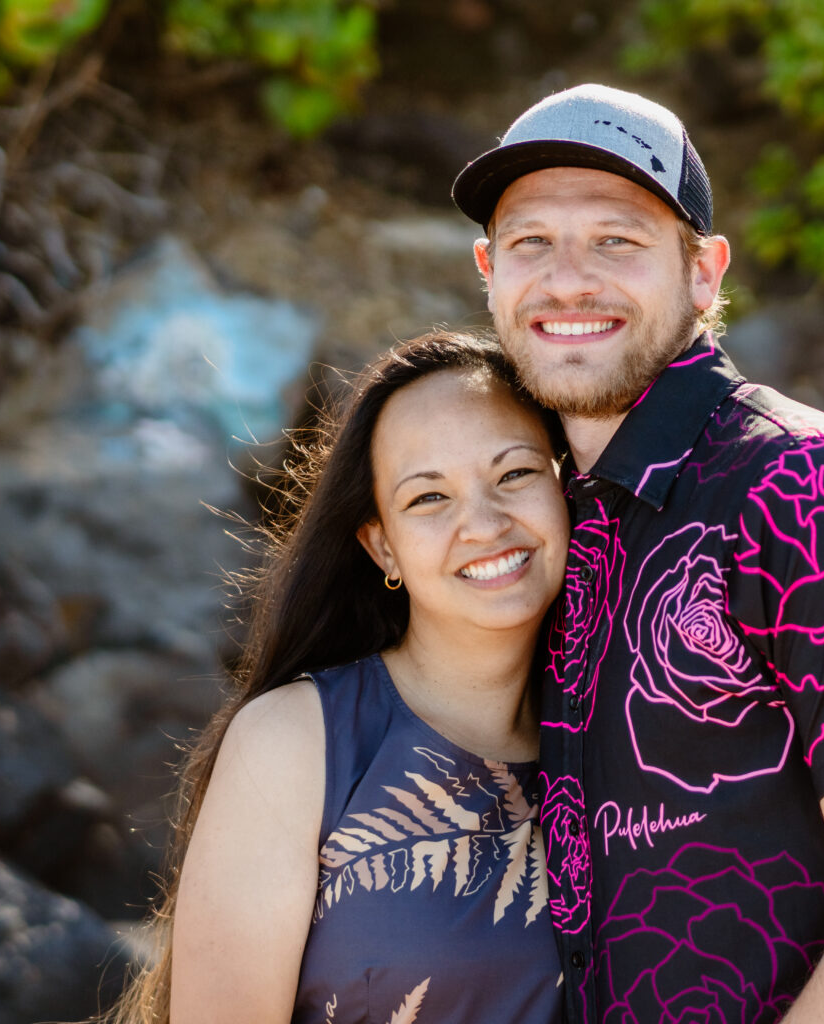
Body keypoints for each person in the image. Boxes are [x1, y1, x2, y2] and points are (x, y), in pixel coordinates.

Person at [452, 84, 824, 1023]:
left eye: (617, 240)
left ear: (705, 272)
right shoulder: (537, 523)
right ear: (488, 270)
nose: (567, 279)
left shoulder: (812, 491)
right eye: (530, 242)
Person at [101, 330, 571, 1024]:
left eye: (516, 474)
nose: (483, 523)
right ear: (383, 545)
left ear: (570, 486)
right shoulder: (297, 742)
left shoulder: (627, 729)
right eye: (428, 499)